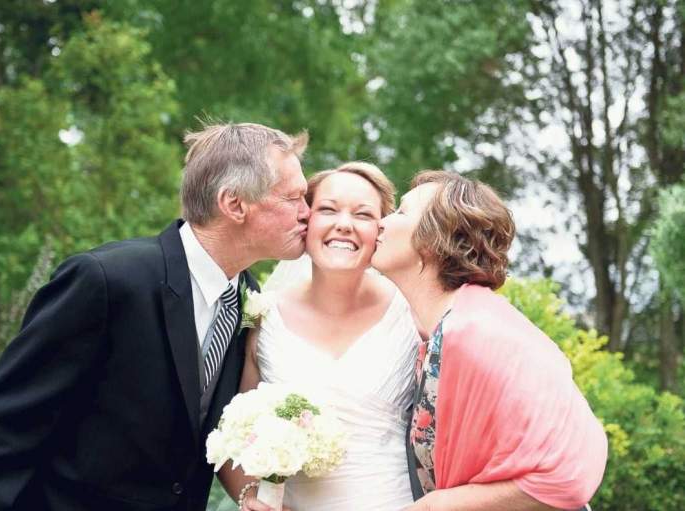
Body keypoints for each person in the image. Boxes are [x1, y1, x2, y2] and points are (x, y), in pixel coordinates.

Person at [0, 122, 310, 511]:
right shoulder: (106, 281)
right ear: (234, 204)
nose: (307, 213)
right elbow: (3, 427)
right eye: (294, 198)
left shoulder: (248, 297)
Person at [372, 170, 608, 511]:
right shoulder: (450, 328)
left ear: (436, 239)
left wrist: (435, 506)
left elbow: (568, 474)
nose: (381, 222)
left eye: (401, 212)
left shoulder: (476, 331)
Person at [218, 162, 420, 511]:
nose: (344, 224)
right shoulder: (265, 318)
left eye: (363, 214)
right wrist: (248, 495)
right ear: (305, 220)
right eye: (328, 209)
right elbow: (230, 430)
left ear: (381, 230)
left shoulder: (413, 314)